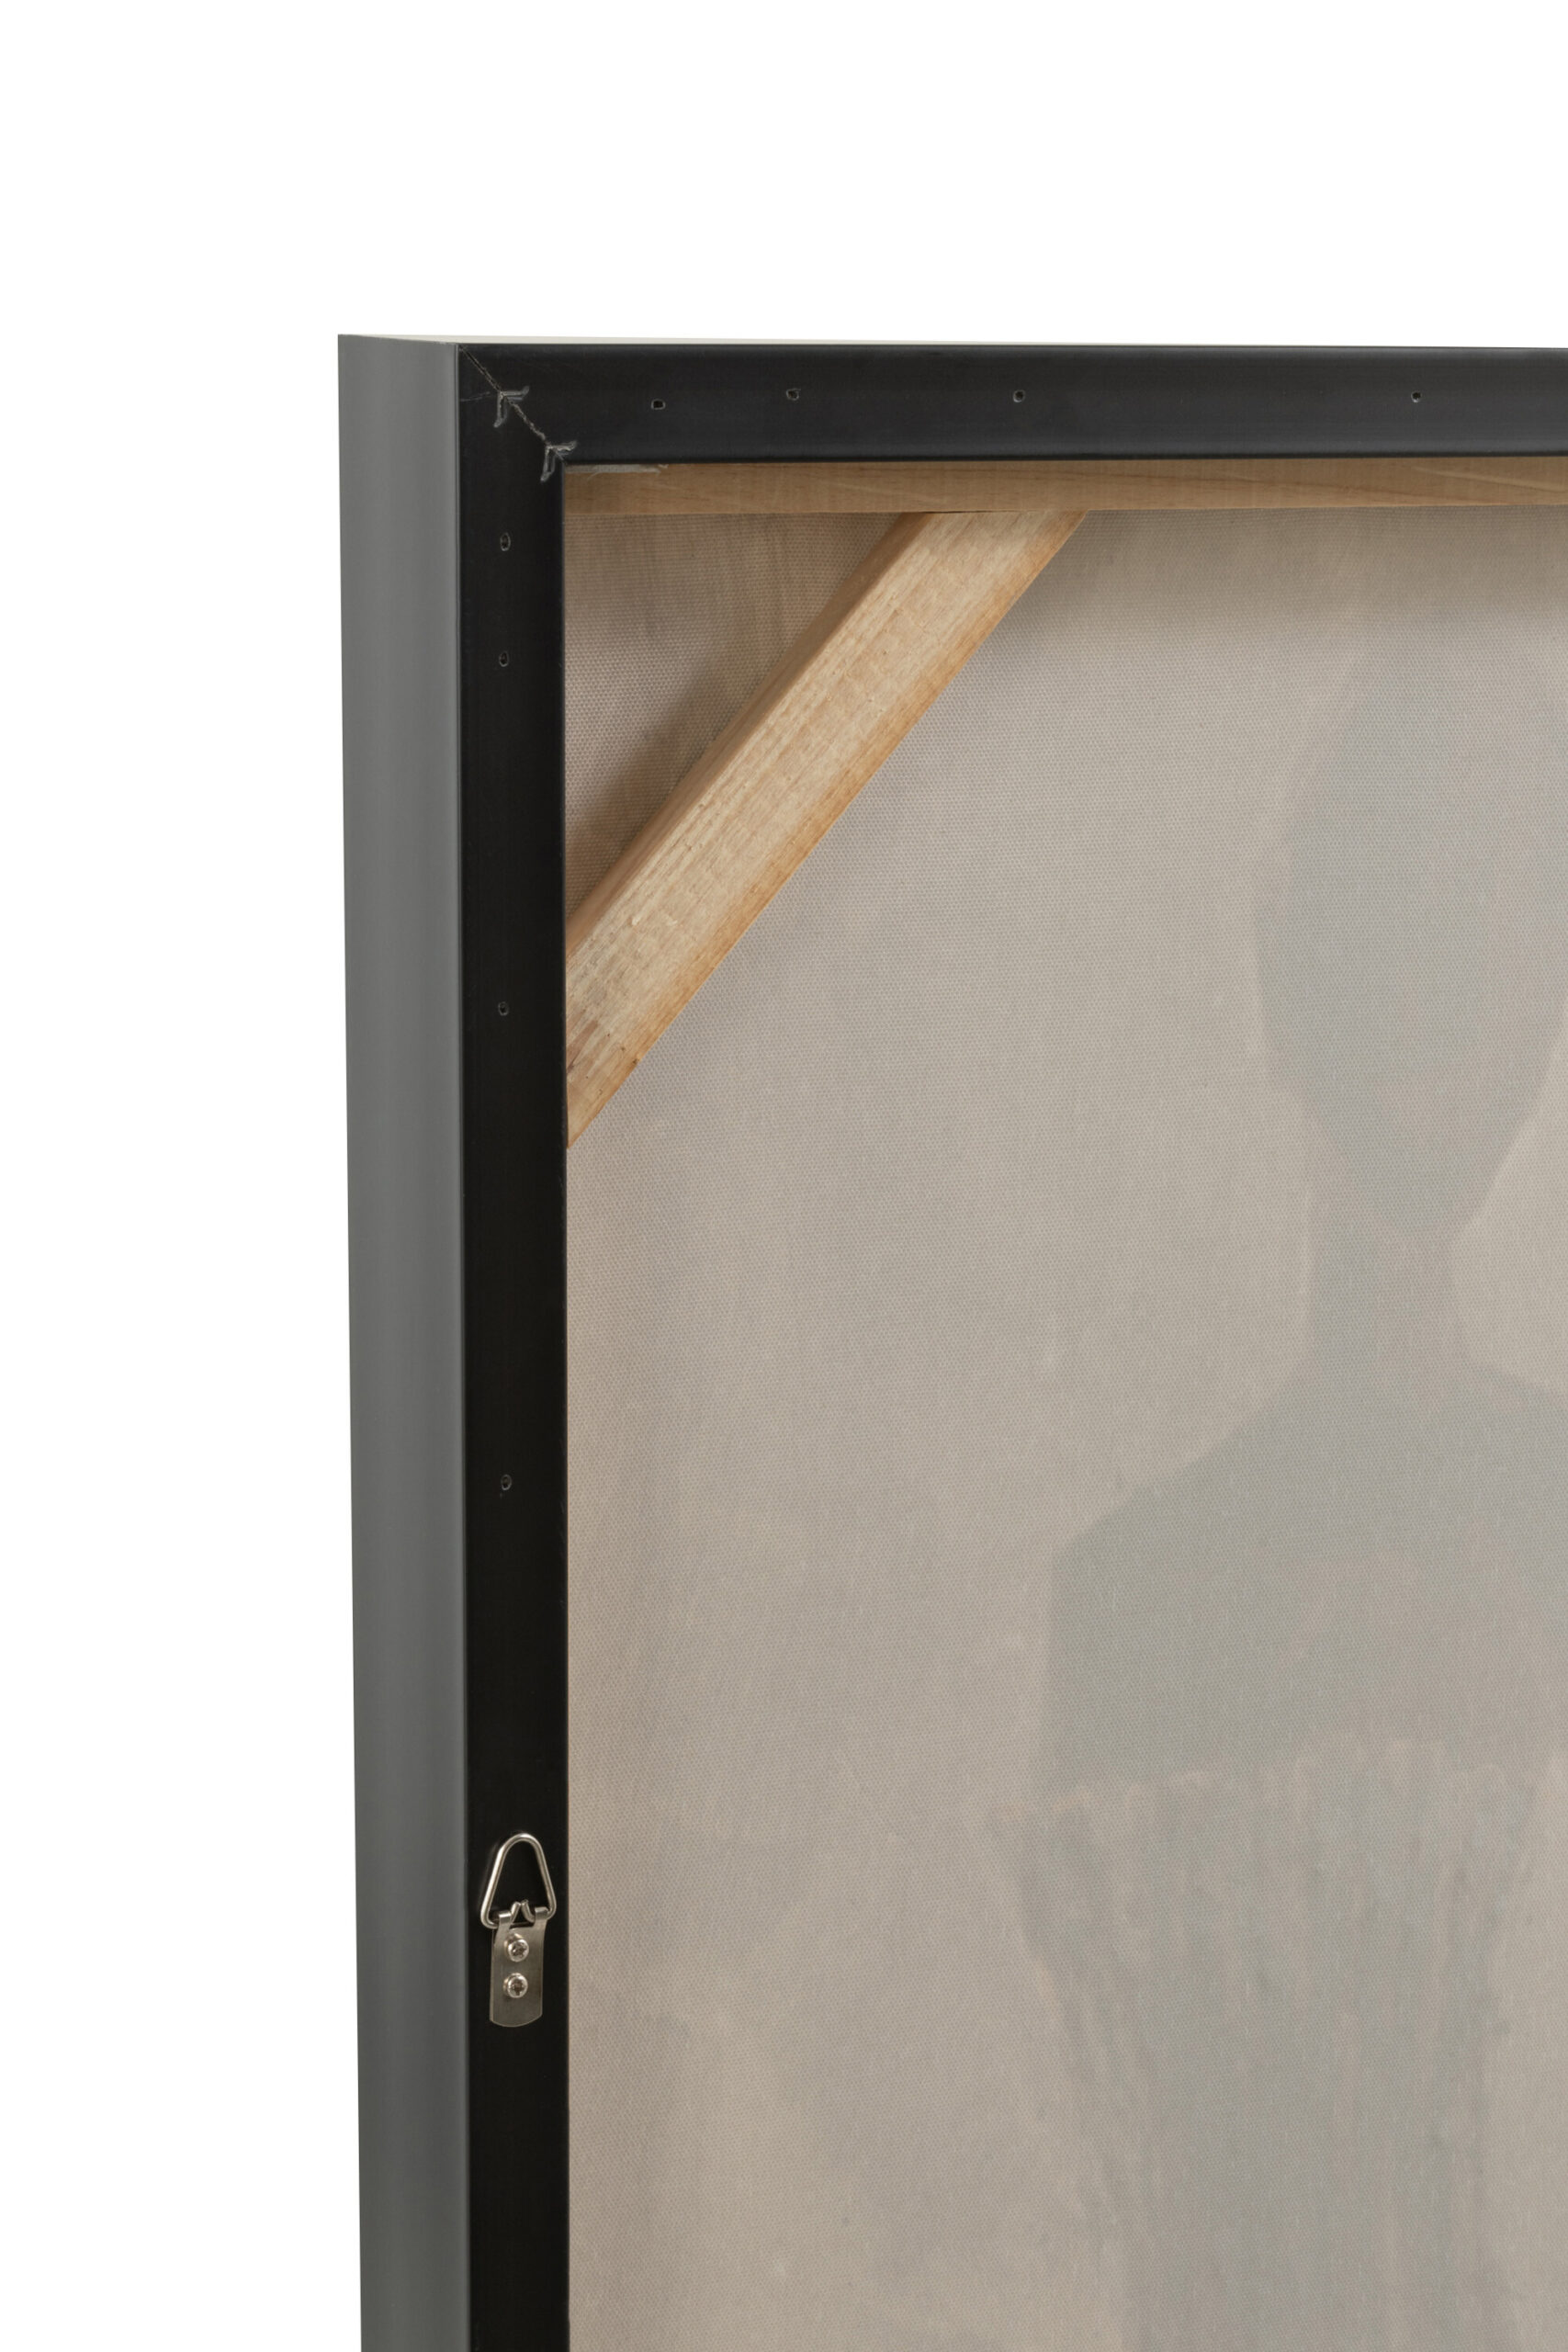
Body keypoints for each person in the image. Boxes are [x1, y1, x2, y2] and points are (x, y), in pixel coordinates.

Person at [1020, 658, 1568, 2350]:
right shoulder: (1137, 1595)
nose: (1443, 1018)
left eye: (1494, 937)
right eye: (1406, 924)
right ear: (1289, 974)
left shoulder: (1148, 1583)